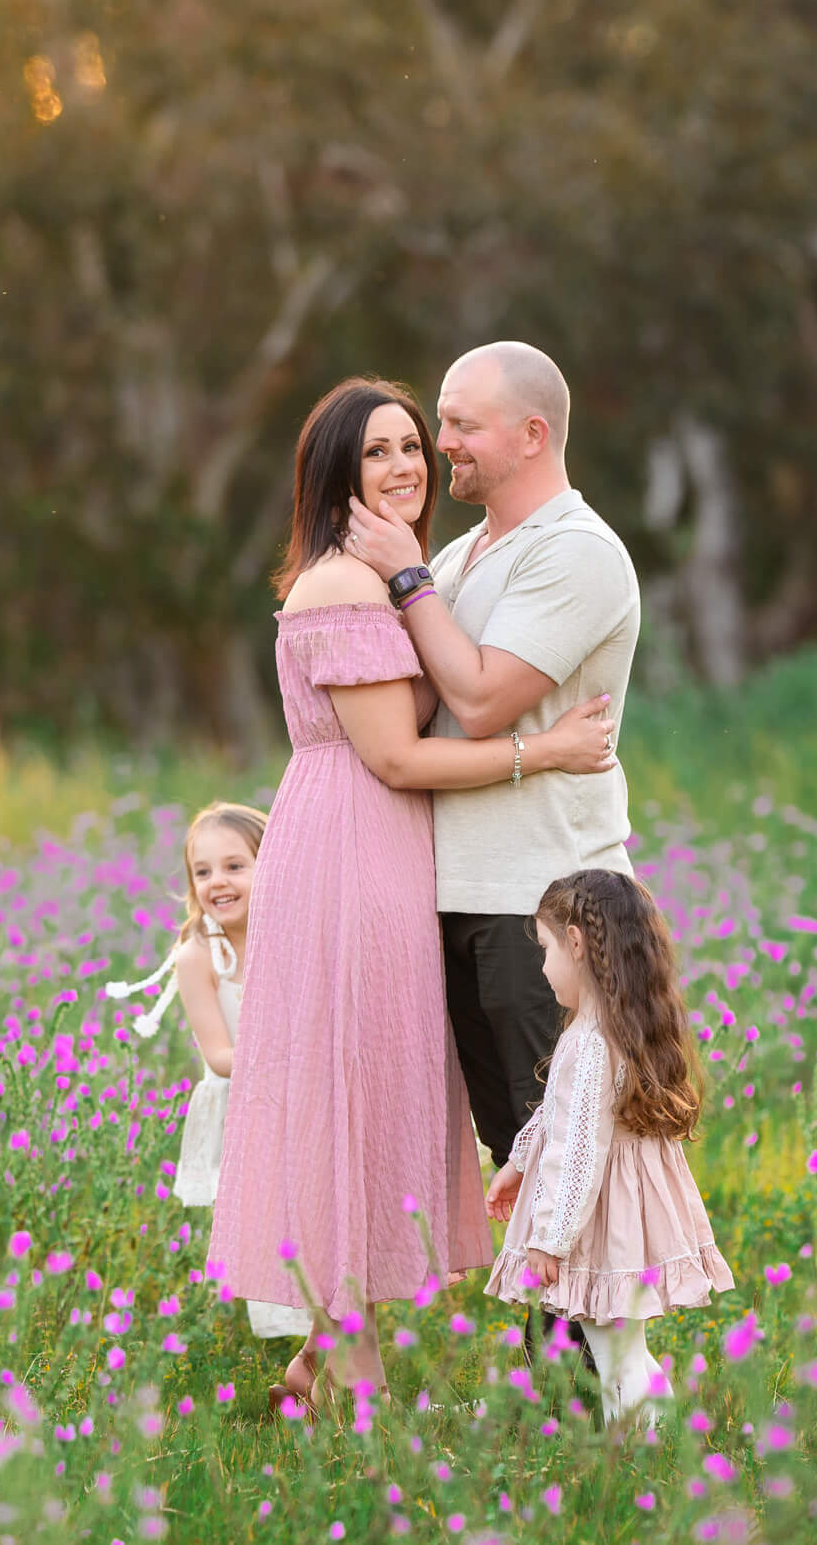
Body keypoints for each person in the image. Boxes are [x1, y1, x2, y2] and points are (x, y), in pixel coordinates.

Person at [208, 376, 621, 1410]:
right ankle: (357, 1402)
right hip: (355, 848)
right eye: (378, 452)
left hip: (393, 857)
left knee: (377, 1097)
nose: (407, 465)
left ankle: (317, 1369)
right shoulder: (349, 585)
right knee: (351, 1105)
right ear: (333, 477)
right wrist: (548, 751)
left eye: (413, 446)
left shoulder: (406, 573)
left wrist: (417, 587)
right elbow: (395, 757)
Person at [345, 341, 642, 1349]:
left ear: (531, 434)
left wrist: (403, 576)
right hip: (467, 897)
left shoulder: (577, 552)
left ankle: (609, 1403)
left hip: (546, 903)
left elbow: (475, 703)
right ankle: (559, 1398)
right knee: (517, 1152)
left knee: (568, 1153)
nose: (442, 443)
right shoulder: (467, 558)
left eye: (462, 422)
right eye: (442, 418)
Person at [482, 869, 733, 1427]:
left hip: (595, 1226)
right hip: (618, 1217)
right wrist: (519, 1161)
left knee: (617, 1353)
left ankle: (645, 1450)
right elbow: (557, 1118)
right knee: (624, 1348)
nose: (542, 969)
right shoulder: (614, 1028)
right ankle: (662, 1439)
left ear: (575, 943)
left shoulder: (590, 1043)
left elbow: (577, 1154)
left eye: (545, 949)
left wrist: (551, 1239)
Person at [108, 801, 308, 1341]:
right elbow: (219, 1056)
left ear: (273, 866)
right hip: (248, 1107)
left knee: (316, 1215)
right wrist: (295, 1063)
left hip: (306, 1102)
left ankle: (331, 1341)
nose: (217, 881)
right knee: (272, 1226)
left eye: (234, 866)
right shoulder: (201, 954)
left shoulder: (294, 940)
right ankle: (302, 1345)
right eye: (202, 871)